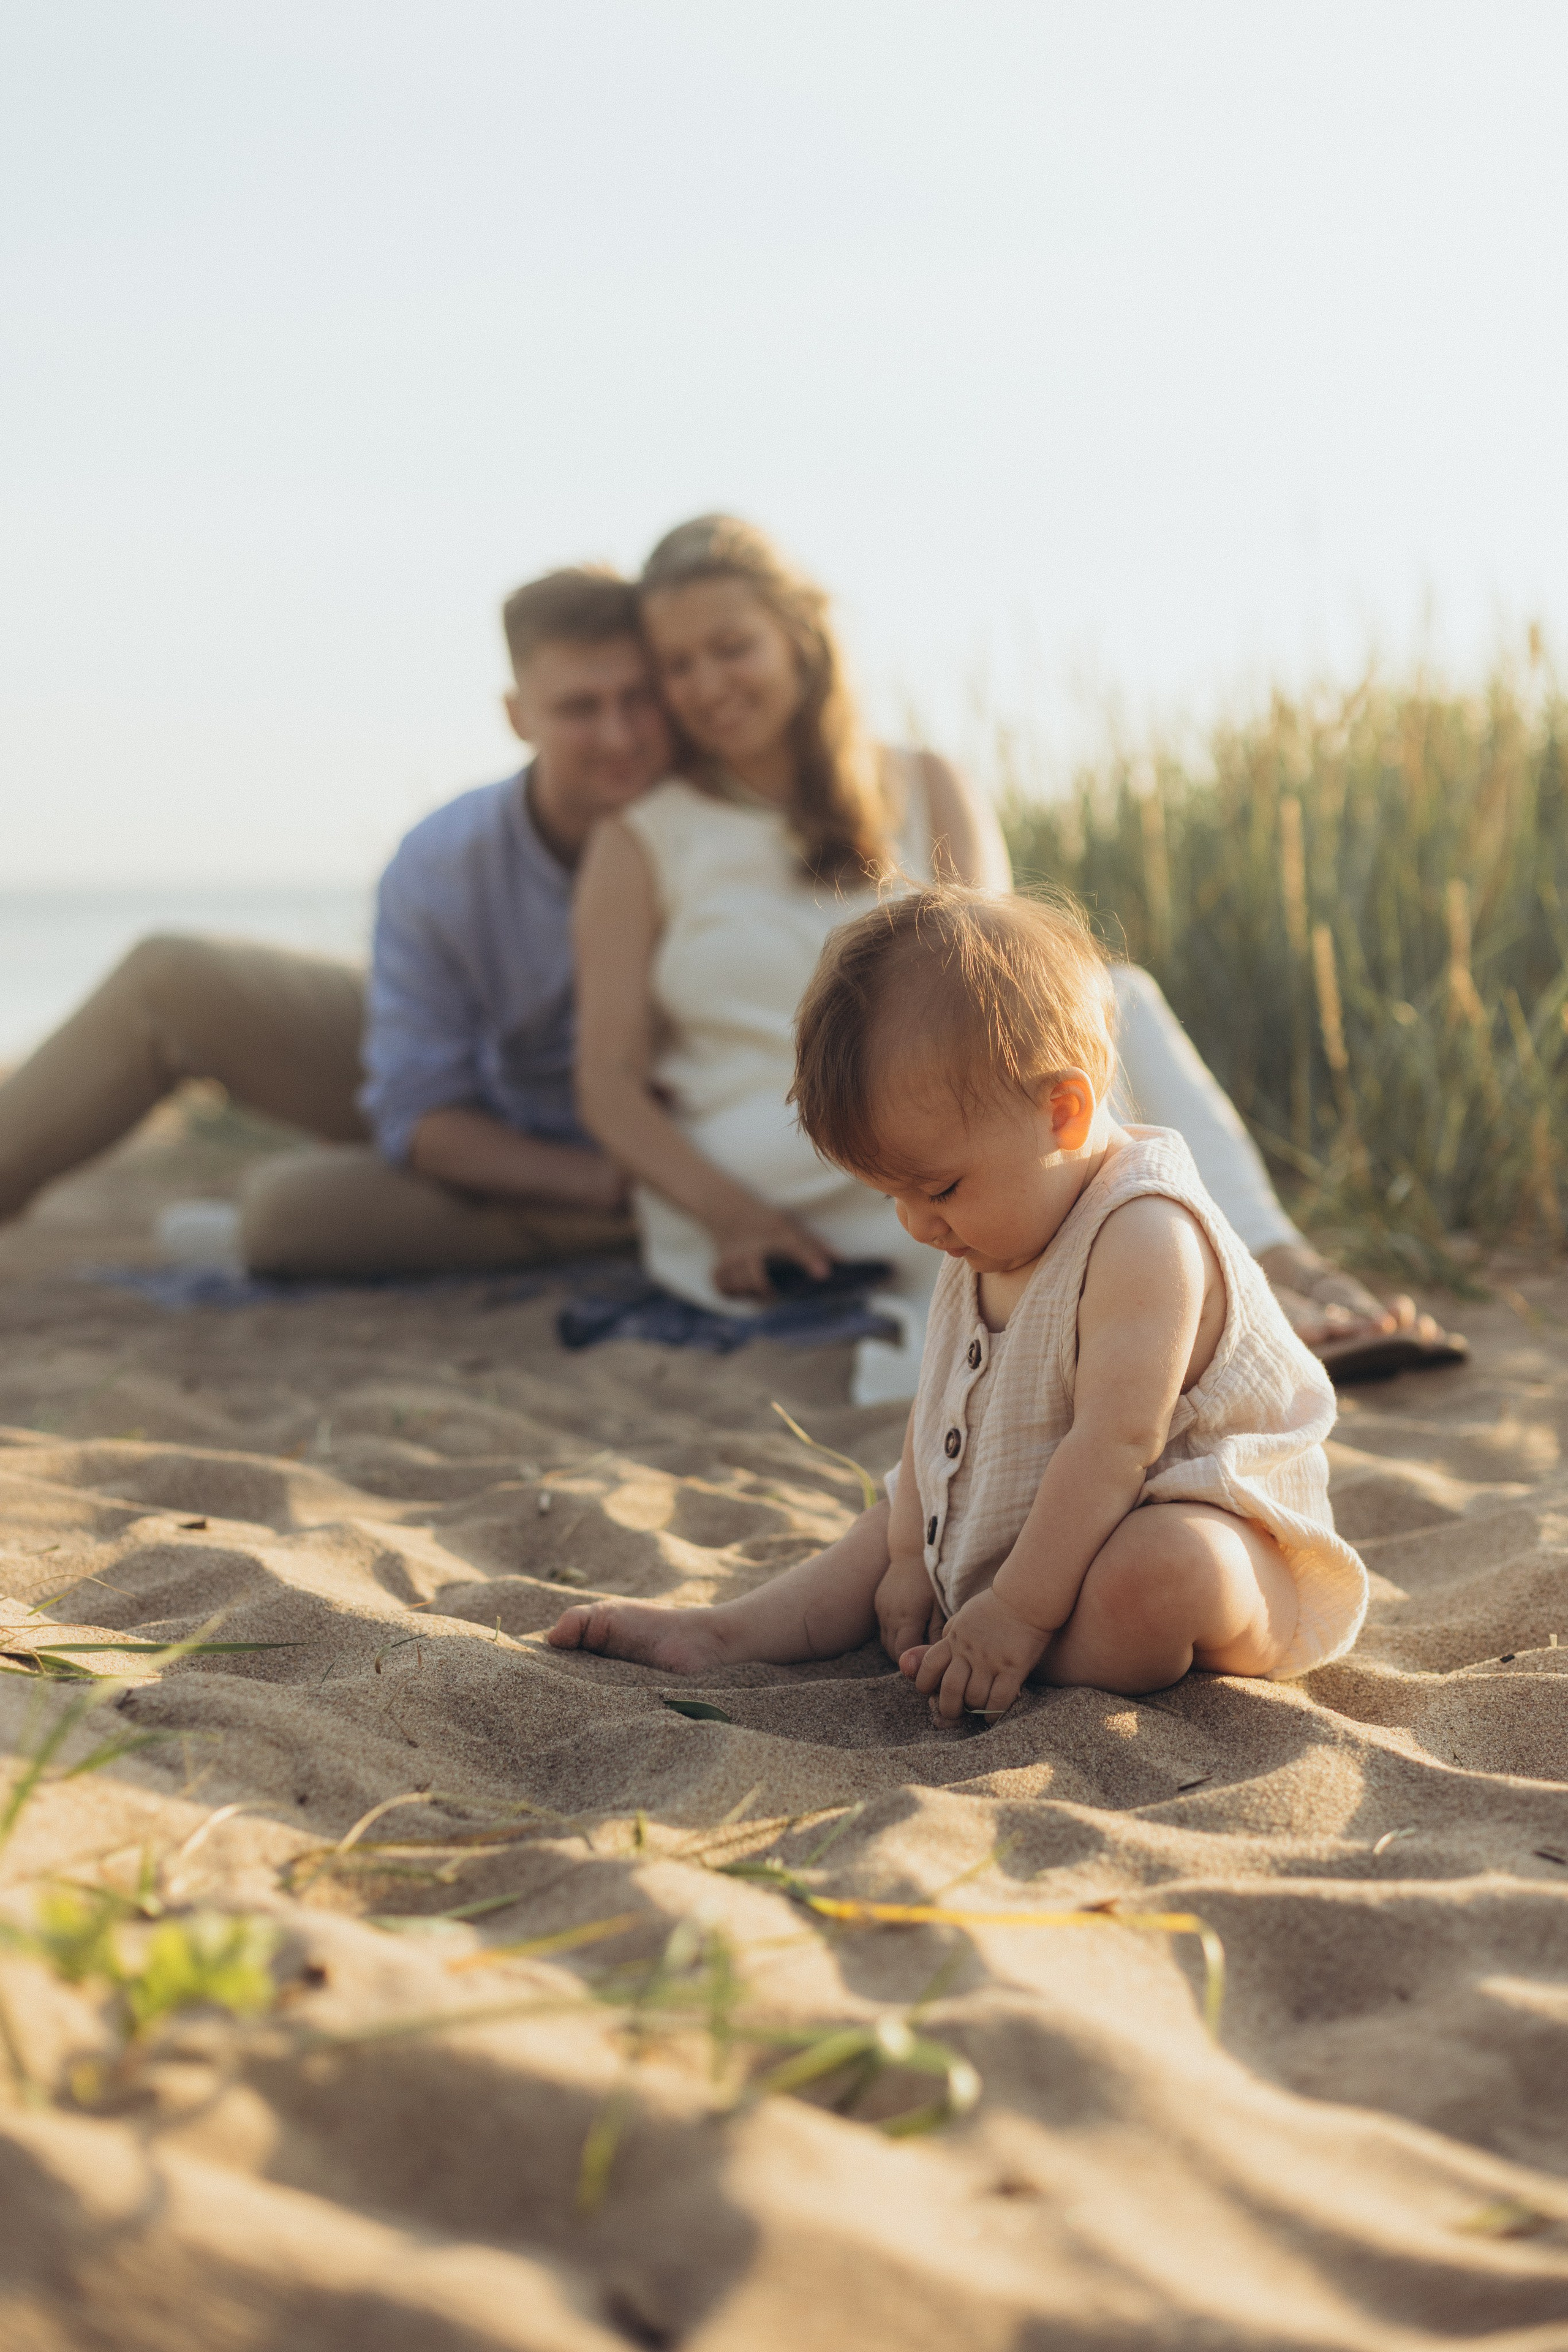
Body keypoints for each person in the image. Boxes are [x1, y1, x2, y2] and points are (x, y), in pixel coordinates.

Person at [573, 511, 1461, 1399]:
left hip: (941, 1089)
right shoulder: (639, 840)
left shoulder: (923, 782)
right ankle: (1234, 1300)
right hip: (767, 1141)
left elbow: (1006, 987)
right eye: (677, 665)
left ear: (800, 638)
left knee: (1106, 999)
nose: (704, 684)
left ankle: (1274, 1258)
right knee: (978, 1128)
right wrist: (735, 1219)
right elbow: (607, 1085)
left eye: (731, 647)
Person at [549, 888, 1370, 1709]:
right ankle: (726, 1633)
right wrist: (910, 1553)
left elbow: (1115, 1445)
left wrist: (1015, 1612)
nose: (916, 1224)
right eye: (890, 1196)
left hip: (1201, 1524)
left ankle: (1016, 1647)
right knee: (877, 1533)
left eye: (937, 1186)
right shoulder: (988, 1221)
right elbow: (936, 1408)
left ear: (1064, 1112)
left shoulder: (1144, 1235)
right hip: (1031, 1529)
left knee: (1162, 1575)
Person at [0, 568, 669, 1276]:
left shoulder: (724, 829)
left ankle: (634, 1221)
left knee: (286, 1219)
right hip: (497, 1114)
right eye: (580, 708)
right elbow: (424, 1113)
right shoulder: (444, 859)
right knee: (168, 977)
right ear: (518, 715)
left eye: (637, 700)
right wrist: (597, 1185)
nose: (617, 735)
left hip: (647, 1141)